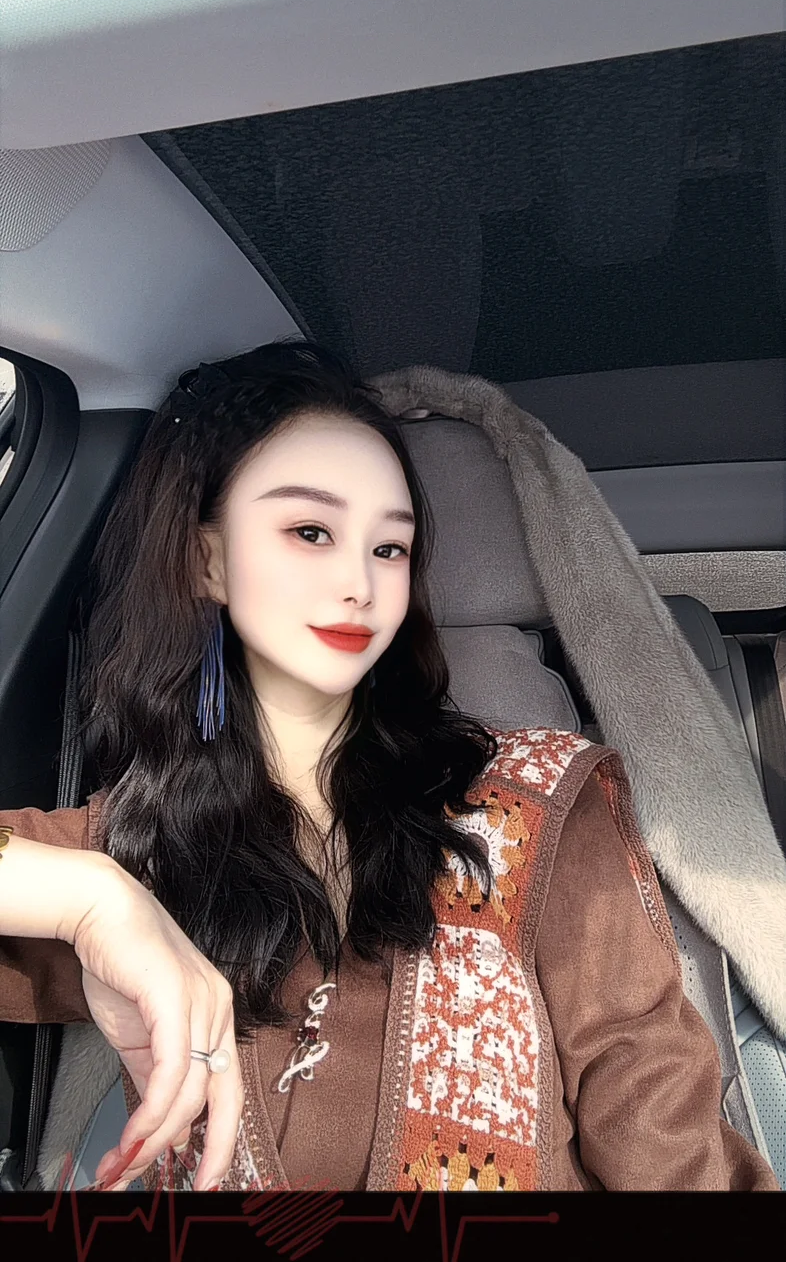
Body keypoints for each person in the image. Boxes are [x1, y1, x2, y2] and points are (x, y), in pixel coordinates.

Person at [0, 340, 779, 1193]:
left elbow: (669, 1146)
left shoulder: (541, 806)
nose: (360, 584)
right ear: (207, 559)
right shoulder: (139, 844)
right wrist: (93, 901)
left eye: (390, 547)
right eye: (311, 531)